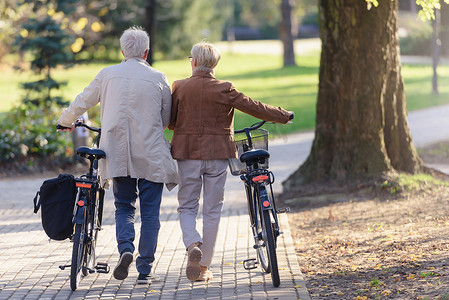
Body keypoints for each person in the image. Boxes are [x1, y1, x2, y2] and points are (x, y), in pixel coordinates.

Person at [57, 26, 179, 285]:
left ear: (122, 51)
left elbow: (83, 100)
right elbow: (167, 119)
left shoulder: (107, 74)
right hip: (151, 152)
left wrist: (66, 120)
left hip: (117, 151)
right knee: (150, 213)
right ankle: (145, 269)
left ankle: (125, 248)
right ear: (146, 52)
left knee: (124, 206)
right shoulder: (159, 77)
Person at [168, 42, 294, 281]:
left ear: (193, 62)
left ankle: (192, 242)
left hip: (187, 153)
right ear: (214, 64)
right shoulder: (225, 88)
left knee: (187, 206)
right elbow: (253, 106)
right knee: (212, 210)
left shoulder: (180, 87)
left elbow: (171, 121)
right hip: (217, 155)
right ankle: (203, 266)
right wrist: (283, 115)